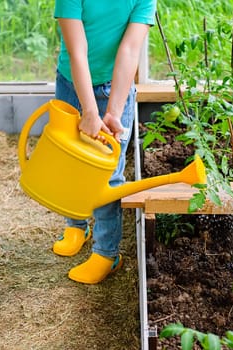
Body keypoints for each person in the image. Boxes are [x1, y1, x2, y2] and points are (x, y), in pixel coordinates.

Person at [51, 0, 156, 284]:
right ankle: (76, 225)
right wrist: (89, 110)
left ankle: (106, 254)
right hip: (72, 83)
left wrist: (112, 111)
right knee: (72, 160)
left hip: (115, 88)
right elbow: (77, 51)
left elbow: (130, 50)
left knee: (108, 175)